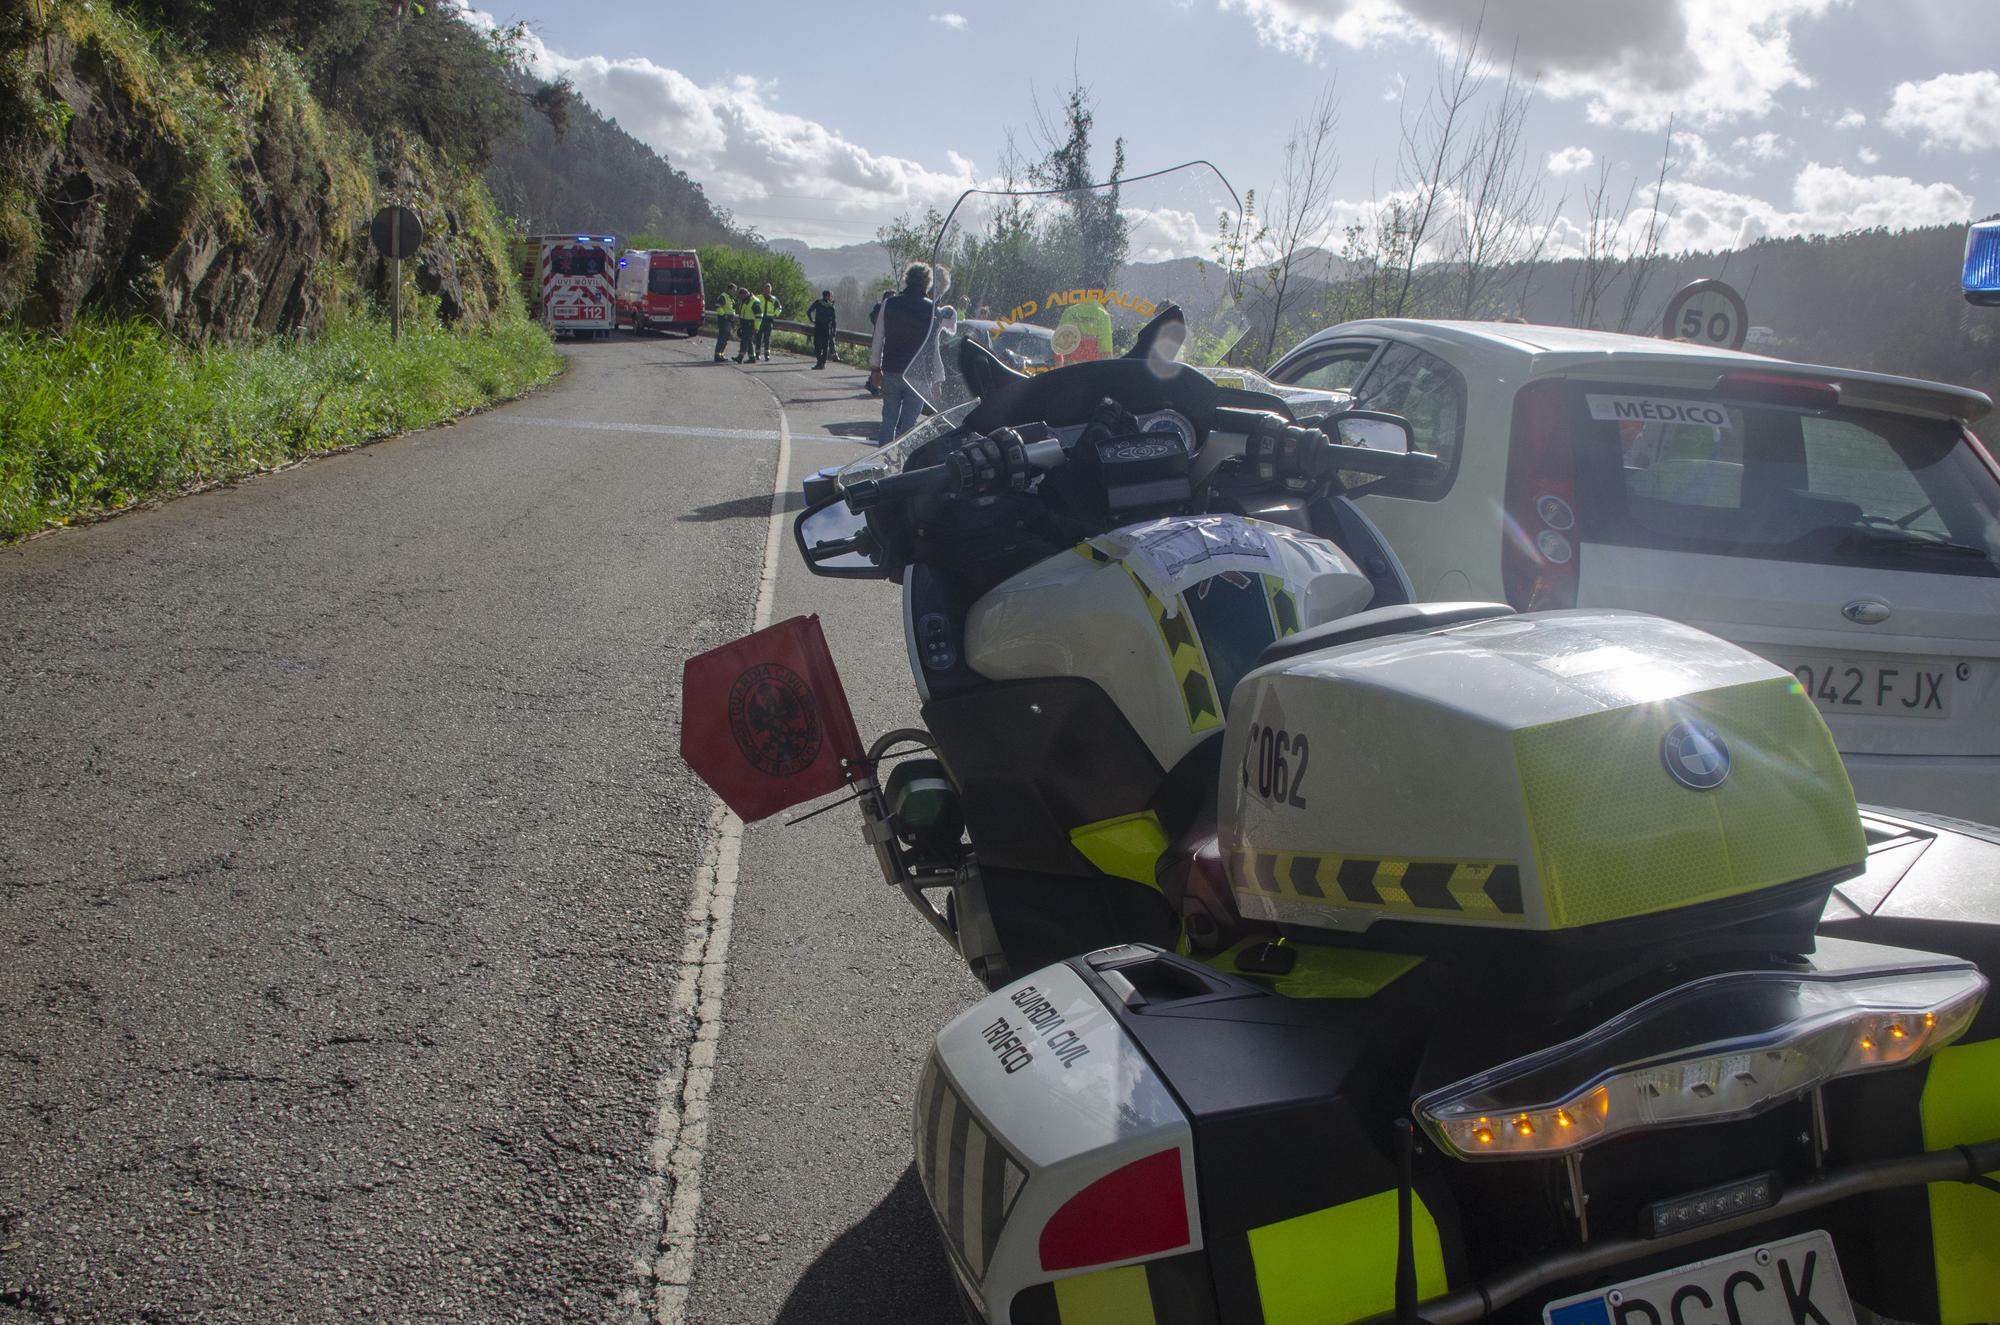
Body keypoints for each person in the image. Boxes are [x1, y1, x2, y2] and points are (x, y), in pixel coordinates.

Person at [870, 264, 936, 444]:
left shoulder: (890, 303)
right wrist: (935, 378)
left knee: (888, 421)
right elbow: (934, 347)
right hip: (918, 375)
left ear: (907, 279)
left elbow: (878, 337)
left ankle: (885, 462)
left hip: (891, 370)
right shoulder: (932, 309)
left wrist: (875, 369)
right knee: (909, 426)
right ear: (927, 283)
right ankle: (902, 466)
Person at [864, 287, 894, 396]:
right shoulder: (881, 307)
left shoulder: (884, 307)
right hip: (881, 336)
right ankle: (873, 386)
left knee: (880, 361)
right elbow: (873, 318)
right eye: (892, 295)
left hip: (884, 335)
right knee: (878, 362)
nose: (894, 297)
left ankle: (870, 383)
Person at [806, 289, 838, 368]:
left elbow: (809, 311)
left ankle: (819, 361)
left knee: (817, 345)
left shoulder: (818, 302)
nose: (831, 297)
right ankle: (822, 363)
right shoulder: (831, 306)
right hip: (827, 327)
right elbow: (834, 320)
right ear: (828, 296)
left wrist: (812, 320)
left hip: (818, 326)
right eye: (831, 296)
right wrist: (834, 330)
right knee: (825, 346)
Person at [712, 285, 738, 362]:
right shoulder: (723, 296)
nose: (734, 292)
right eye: (733, 290)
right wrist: (724, 315)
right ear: (729, 289)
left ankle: (721, 354)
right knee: (722, 338)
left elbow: (732, 309)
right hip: (724, 320)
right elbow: (718, 307)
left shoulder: (731, 298)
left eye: (735, 290)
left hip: (729, 320)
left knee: (725, 338)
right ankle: (717, 355)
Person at [736, 286, 760, 363]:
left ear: (745, 293)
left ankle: (740, 356)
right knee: (748, 341)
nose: (741, 298)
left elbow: (759, 315)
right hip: (745, 323)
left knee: (744, 340)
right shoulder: (745, 300)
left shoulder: (754, 301)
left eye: (741, 296)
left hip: (750, 324)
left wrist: (756, 327)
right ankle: (752, 358)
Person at [756, 283, 780, 361]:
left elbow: (779, 307)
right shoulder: (759, 297)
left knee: (767, 338)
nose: (767, 291)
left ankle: (767, 354)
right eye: (766, 289)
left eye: (769, 289)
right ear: (763, 289)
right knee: (759, 337)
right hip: (760, 320)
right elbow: (754, 305)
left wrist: (775, 314)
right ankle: (757, 354)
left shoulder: (773, 299)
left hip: (769, 320)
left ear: (771, 290)